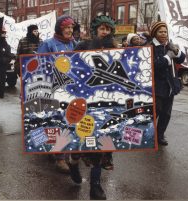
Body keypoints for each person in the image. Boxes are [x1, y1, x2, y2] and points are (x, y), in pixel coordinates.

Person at [67, 15, 117, 200]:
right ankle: (73, 162)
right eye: (102, 28)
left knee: (99, 146)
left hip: (106, 102)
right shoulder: (83, 46)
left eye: (108, 29)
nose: (105, 32)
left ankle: (95, 186)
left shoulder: (115, 49)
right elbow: (72, 70)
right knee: (81, 142)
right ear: (95, 29)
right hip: (85, 101)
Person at [37, 15, 77, 174]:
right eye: (66, 27)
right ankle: (60, 157)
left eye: (71, 27)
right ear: (60, 28)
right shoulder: (48, 44)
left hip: (71, 90)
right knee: (57, 122)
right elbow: (38, 67)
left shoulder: (74, 44)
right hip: (53, 90)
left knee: (71, 122)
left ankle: (63, 152)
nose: (69, 30)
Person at [150, 21, 185, 146]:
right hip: (157, 85)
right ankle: (148, 134)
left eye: (165, 31)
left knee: (166, 113)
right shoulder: (151, 46)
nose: (164, 34)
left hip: (170, 85)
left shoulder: (168, 45)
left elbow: (181, 59)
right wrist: (168, 57)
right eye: (161, 32)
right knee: (156, 111)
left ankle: (160, 135)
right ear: (155, 33)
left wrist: (176, 50)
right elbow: (154, 64)